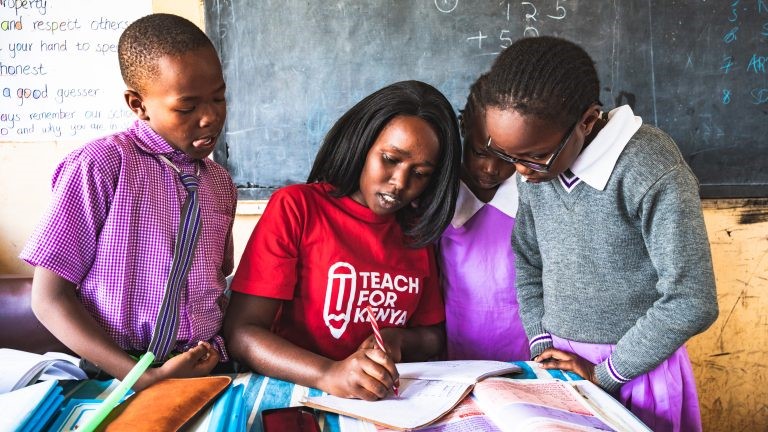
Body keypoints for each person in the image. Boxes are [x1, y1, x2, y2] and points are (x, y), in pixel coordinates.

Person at [476, 36, 718, 431]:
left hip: (635, 372)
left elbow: (693, 300)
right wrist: (541, 342)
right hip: (561, 369)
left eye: (535, 156)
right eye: (508, 155)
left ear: (587, 121)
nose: (521, 171)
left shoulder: (648, 167)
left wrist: (605, 374)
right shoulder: (536, 171)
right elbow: (528, 258)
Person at [19, 13, 236, 391]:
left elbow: (217, 280)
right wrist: (140, 378)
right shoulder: (100, 167)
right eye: (187, 107)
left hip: (202, 372)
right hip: (111, 376)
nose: (210, 117)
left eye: (219, 97)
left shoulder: (219, 182)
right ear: (138, 104)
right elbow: (49, 298)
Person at [223, 80, 461, 401]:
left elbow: (433, 335)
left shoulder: (415, 231)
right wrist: (328, 374)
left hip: (383, 403)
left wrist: (397, 340)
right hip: (299, 393)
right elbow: (242, 333)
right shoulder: (298, 208)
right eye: (390, 159)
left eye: (420, 173)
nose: (400, 182)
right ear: (362, 145)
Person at [438, 76, 529, 361]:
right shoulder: (439, 196)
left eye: (508, 157)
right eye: (480, 153)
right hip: (450, 350)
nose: (491, 168)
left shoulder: (531, 196)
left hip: (524, 349)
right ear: (464, 128)